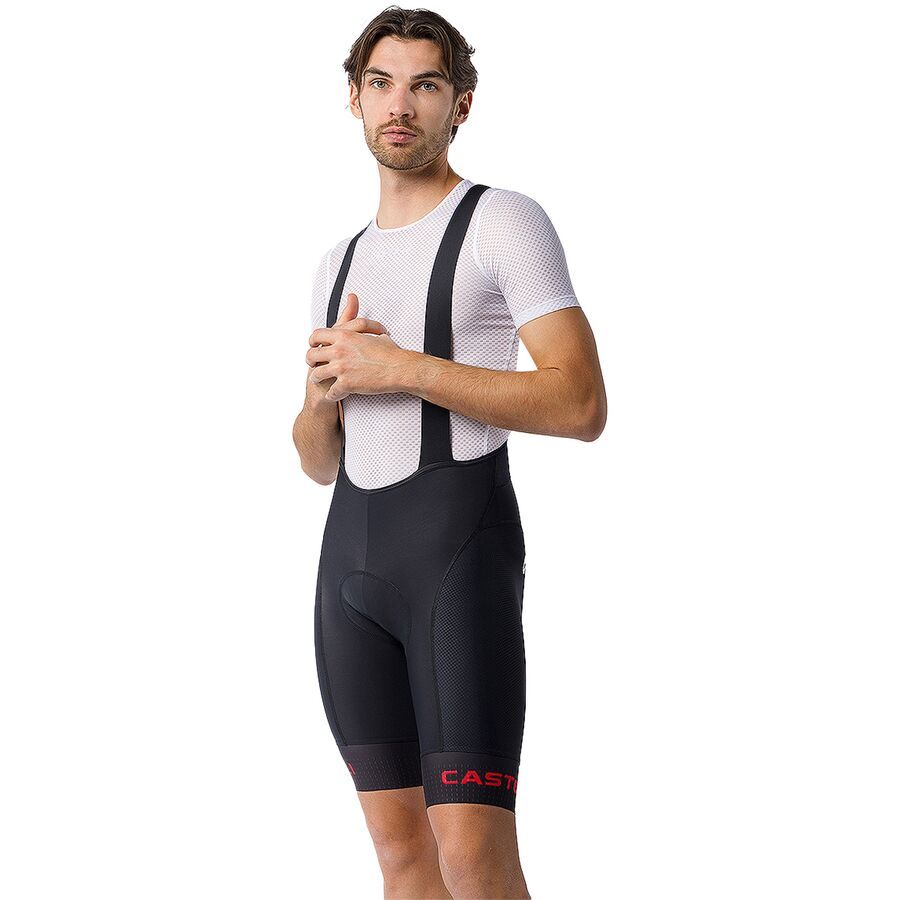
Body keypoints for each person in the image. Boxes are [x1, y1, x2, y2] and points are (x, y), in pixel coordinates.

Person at [292, 7, 606, 898]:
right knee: (400, 855)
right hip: (348, 567)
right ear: (354, 98)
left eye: (425, 85)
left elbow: (581, 402)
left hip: (456, 556)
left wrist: (402, 368)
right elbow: (317, 460)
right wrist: (320, 399)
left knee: (470, 852)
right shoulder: (338, 261)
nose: (401, 106)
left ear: (460, 104)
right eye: (382, 84)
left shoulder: (504, 222)